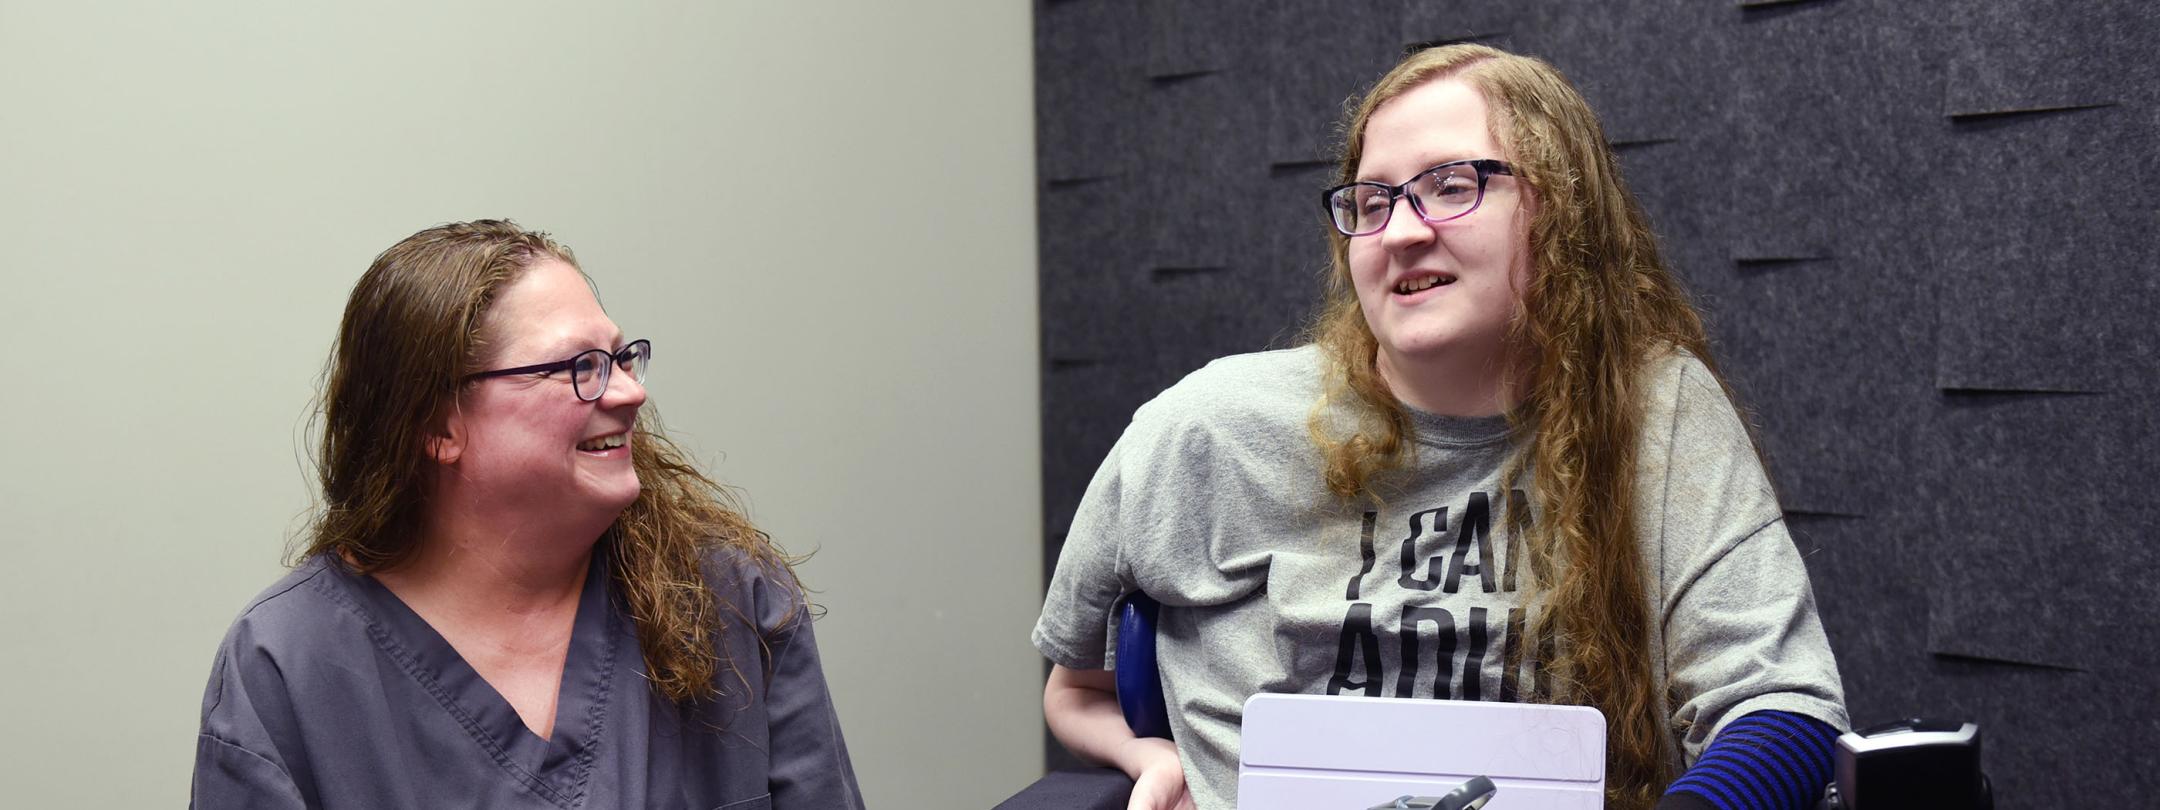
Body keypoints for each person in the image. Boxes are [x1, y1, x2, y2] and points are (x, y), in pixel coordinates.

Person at [1033, 44, 1847, 810]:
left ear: (1563, 210)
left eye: (1453, 185)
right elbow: (1074, 691)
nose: (1403, 229)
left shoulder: (1655, 411)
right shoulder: (1206, 428)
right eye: (1373, 199)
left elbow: (1783, 706)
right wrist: (1154, 757)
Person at [192, 220, 864, 809]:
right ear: (436, 424)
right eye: (582, 366)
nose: (630, 392)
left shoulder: (731, 606)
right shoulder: (288, 666)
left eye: (623, 357)